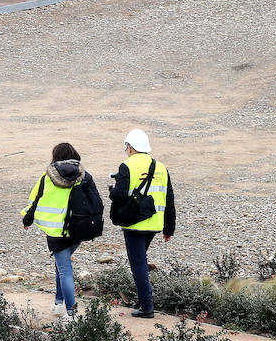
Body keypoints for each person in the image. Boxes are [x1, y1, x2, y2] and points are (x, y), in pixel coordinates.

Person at [22, 141, 101, 319]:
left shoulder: (47, 177)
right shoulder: (85, 176)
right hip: (78, 230)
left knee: (64, 269)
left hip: (56, 232)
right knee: (61, 265)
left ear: (55, 156)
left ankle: (71, 313)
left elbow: (35, 200)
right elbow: (96, 201)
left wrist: (27, 220)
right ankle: (58, 302)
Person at [109, 129, 176, 318]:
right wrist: (168, 228)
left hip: (134, 224)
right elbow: (169, 198)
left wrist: (112, 191)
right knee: (141, 261)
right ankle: (143, 300)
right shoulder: (161, 167)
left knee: (138, 263)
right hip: (155, 223)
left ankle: (147, 306)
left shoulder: (126, 166)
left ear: (130, 147)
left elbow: (119, 195)